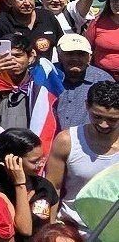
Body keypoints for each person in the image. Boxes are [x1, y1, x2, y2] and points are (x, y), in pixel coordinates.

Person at [46, 80, 119, 233]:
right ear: (87, 106)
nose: (104, 124)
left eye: (112, 120)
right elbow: (52, 188)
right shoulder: (67, 141)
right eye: (97, 116)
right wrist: (51, 228)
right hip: (73, 228)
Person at [0, 128, 59, 240]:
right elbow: (25, 229)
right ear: (12, 160)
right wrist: (20, 184)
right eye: (34, 161)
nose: (41, 165)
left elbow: (50, 229)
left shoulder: (45, 187)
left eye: (42, 158)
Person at [53, 33, 115, 131]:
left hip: (88, 141)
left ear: (90, 57)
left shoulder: (102, 80)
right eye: (70, 54)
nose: (75, 58)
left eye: (81, 54)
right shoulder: (48, 76)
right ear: (59, 55)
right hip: (50, 140)